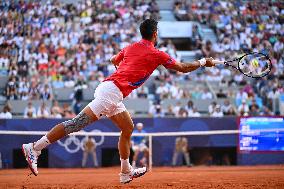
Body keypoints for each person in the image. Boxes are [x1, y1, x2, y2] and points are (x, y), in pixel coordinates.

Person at [22, 19, 215, 184]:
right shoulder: (157, 54)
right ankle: (35, 148)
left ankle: (125, 172)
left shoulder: (131, 47)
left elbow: (114, 59)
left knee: (128, 128)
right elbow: (182, 67)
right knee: (75, 124)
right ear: (155, 34)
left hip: (111, 89)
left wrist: (125, 70)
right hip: (111, 92)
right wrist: (203, 62)